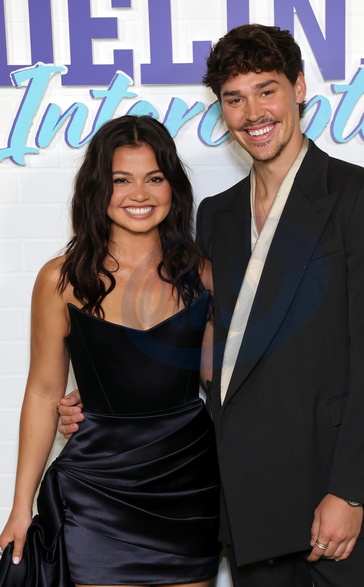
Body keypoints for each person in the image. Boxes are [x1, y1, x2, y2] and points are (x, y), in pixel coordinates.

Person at [57, 24, 364, 587]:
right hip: (248, 501)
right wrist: (117, 391)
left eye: (266, 90)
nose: (253, 113)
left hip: (333, 493)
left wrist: (350, 491)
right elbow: (217, 349)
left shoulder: (363, 196)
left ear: (299, 88)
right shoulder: (218, 215)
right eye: (234, 98)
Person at [0, 115, 220, 587]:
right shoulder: (60, 280)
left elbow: (219, 380)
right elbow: (43, 392)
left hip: (186, 482)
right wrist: (20, 507)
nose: (139, 194)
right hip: (96, 486)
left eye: (154, 178)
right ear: (98, 189)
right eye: (121, 180)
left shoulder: (202, 274)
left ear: (173, 187)